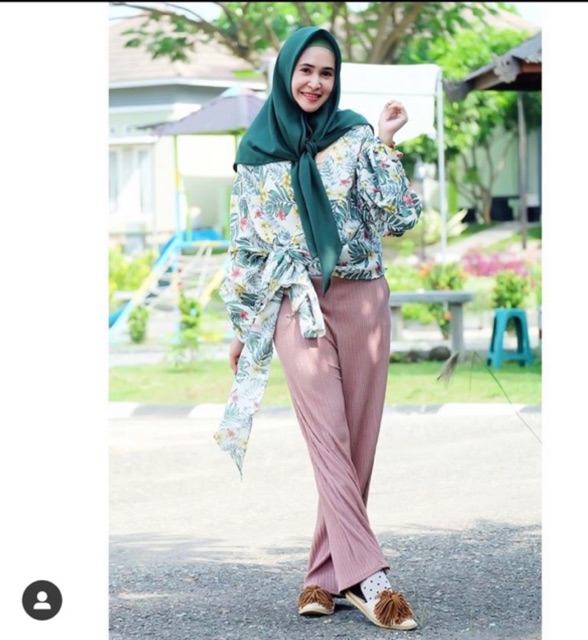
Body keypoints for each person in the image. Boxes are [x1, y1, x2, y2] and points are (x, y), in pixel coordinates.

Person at [214, 25, 422, 632]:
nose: (315, 83)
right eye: (305, 70)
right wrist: (244, 326)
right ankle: (371, 578)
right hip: (292, 302)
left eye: (326, 73)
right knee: (327, 435)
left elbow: (399, 217)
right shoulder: (255, 152)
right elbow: (245, 246)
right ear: (285, 73)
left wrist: (384, 142)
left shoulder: (355, 137)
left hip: (362, 300)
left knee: (356, 443)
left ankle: (322, 576)